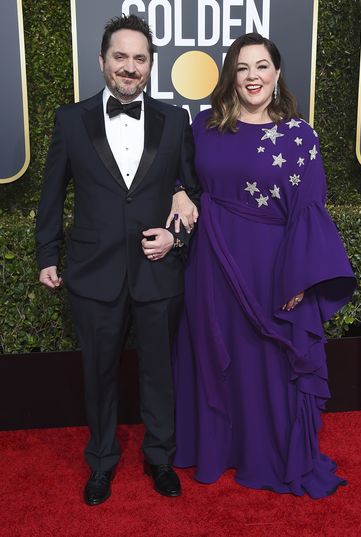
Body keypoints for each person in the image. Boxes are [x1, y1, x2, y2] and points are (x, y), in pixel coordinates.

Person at [172, 33, 356, 499]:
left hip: (272, 266)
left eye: (261, 66)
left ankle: (267, 453)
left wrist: (301, 278)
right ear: (231, 76)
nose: (252, 76)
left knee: (270, 364)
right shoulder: (204, 126)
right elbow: (180, 175)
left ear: (276, 74)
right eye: (242, 67)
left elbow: (310, 208)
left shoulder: (299, 135)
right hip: (211, 263)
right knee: (215, 355)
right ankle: (219, 449)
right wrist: (179, 190)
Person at [36, 14, 200, 505]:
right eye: (120, 57)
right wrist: (47, 253)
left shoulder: (176, 120)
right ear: (103, 60)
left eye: (140, 58)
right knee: (99, 373)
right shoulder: (70, 119)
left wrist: (175, 238)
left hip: (157, 268)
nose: (130, 67)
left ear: (151, 65)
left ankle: (160, 457)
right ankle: (102, 462)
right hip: (93, 271)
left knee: (159, 372)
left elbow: (190, 192)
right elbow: (51, 195)